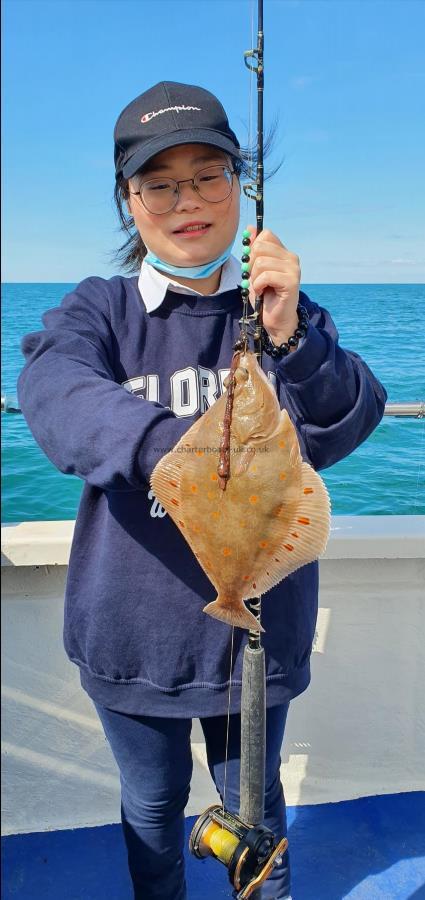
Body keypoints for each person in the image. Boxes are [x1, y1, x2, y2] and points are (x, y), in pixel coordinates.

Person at [18, 81, 387, 900]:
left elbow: (347, 421)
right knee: (151, 809)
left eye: (209, 175)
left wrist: (292, 338)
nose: (186, 200)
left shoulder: (281, 317)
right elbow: (55, 394)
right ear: (130, 202)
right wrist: (188, 461)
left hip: (254, 633)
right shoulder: (101, 309)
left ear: (239, 186)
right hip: (129, 634)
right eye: (159, 183)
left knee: (256, 816)